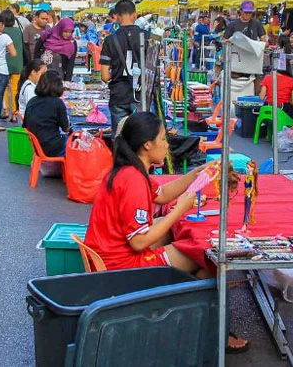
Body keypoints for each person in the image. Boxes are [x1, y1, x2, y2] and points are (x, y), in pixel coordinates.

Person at [83, 111, 249, 352]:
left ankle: (191, 315)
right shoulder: (132, 180)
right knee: (204, 256)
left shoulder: (129, 170)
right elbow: (139, 242)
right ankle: (206, 329)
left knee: (178, 236)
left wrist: (198, 173)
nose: (167, 144)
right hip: (120, 267)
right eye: (162, 139)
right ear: (147, 144)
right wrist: (180, 209)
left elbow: (162, 195)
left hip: (109, 255)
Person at [101, 0, 147, 133]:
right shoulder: (148, 37)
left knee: (120, 135)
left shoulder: (109, 40)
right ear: (135, 15)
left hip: (118, 94)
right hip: (141, 95)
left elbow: (105, 76)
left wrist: (116, 72)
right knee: (141, 135)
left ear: (116, 16)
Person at [23, 71, 71, 156]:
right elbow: (65, 129)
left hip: (36, 146)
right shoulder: (57, 103)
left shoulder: (32, 101)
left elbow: (25, 125)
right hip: (53, 147)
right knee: (79, 141)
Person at [223, 0, 267, 94]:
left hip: (252, 61)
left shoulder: (257, 23)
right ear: (241, 11)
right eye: (246, 12)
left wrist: (260, 45)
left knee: (255, 85)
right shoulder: (232, 25)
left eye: (250, 12)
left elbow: (263, 40)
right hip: (237, 62)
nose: (248, 14)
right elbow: (224, 41)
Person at [1, 11, 26, 123]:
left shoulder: (1, 32)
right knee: (15, 88)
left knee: (4, 88)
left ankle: (6, 110)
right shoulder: (18, 30)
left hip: (3, 63)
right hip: (17, 63)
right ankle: (15, 114)